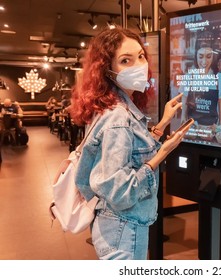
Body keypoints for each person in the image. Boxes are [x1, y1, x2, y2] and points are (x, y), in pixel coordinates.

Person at [70, 26, 186, 260]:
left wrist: (162, 124)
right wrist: (161, 155)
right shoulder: (119, 117)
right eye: (125, 60)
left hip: (113, 226)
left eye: (141, 56)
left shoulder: (111, 107)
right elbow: (120, 191)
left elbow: (130, 155)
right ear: (107, 70)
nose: (138, 66)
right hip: (123, 228)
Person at [180, 30, 221, 143]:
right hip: (192, 123)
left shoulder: (219, 77)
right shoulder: (190, 75)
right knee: (190, 136)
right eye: (200, 56)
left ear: (213, 57)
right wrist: (183, 118)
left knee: (213, 138)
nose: (204, 61)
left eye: (208, 56)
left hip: (210, 125)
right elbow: (184, 97)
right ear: (196, 56)